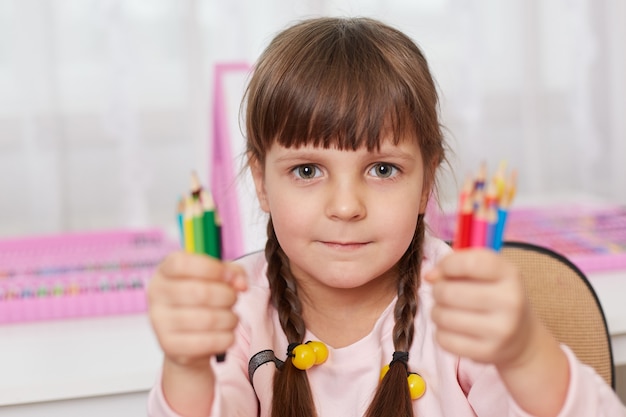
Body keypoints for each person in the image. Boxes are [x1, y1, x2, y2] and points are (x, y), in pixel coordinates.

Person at [146, 16, 625, 417]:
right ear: (260, 180)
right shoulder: (235, 310)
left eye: (382, 169)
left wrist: (523, 351)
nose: (346, 205)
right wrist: (186, 365)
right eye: (307, 170)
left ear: (426, 184)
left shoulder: (457, 306)